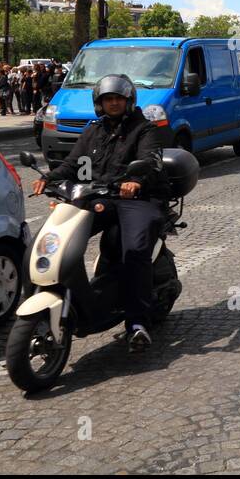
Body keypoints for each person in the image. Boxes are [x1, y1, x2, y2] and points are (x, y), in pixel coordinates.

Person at [32, 74, 166, 351]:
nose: (113, 103)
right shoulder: (94, 130)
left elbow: (151, 162)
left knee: (135, 250)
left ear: (128, 101)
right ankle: (66, 296)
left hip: (137, 200)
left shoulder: (144, 129)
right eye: (108, 99)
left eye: (118, 98)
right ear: (99, 103)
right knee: (53, 238)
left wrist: (136, 181)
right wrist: (50, 177)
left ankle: (137, 322)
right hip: (100, 197)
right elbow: (74, 164)